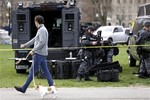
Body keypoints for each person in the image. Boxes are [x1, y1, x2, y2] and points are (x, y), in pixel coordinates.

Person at [14, 15, 57, 94]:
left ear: (37, 21)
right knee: (46, 72)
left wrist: (33, 50)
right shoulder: (41, 29)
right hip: (42, 54)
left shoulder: (42, 30)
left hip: (39, 55)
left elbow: (41, 42)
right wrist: (25, 45)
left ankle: (23, 88)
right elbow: (35, 39)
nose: (34, 23)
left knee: (32, 72)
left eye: (35, 21)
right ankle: (52, 87)